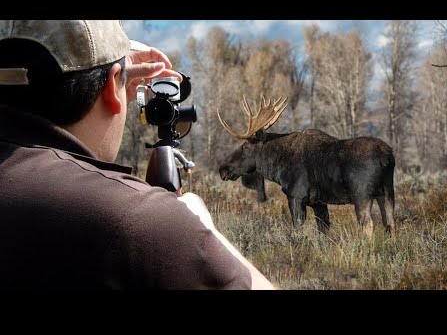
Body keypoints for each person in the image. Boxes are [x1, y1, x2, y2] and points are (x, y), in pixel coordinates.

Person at [0, 20, 276, 290]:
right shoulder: (134, 221)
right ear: (111, 87)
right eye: (122, 82)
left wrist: (112, 77)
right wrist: (203, 228)